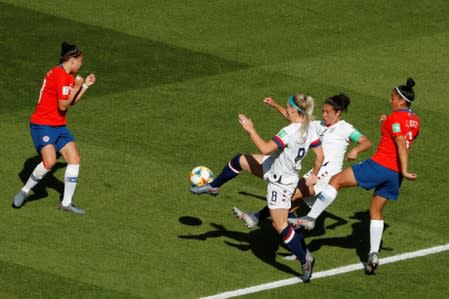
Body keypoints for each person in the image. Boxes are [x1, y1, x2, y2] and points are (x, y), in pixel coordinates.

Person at [289, 78, 420, 274]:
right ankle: (373, 253)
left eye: (393, 97)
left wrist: (405, 169)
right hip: (394, 177)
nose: (390, 100)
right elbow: (402, 135)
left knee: (336, 180)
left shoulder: (394, 119)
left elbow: (400, 141)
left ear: (401, 101)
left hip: (380, 165)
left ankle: (310, 217)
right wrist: (387, 125)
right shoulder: (415, 120)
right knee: (375, 212)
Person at [191, 94, 324, 281]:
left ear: (295, 110)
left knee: (280, 226)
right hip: (275, 167)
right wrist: (314, 174)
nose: (286, 111)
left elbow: (265, 148)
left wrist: (250, 130)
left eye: (287, 107)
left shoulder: (288, 132)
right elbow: (319, 156)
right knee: (239, 160)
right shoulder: (309, 128)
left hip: (281, 183)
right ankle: (214, 186)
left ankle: (305, 259)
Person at [233, 94, 372, 229]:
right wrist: (275, 105)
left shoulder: (345, 128)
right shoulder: (319, 125)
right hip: (315, 172)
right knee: (291, 206)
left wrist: (356, 150)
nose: (323, 115)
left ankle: (255, 218)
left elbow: (366, 142)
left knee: (288, 196)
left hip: (327, 175)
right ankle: (299, 248)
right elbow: (294, 119)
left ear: (338, 113)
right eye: (323, 111)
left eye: (327, 112)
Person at [12, 41, 96, 215]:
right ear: (72, 60)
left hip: (58, 126)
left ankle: (66, 203)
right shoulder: (60, 77)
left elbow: (70, 101)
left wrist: (85, 86)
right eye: (80, 61)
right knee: (49, 162)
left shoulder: (65, 75)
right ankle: (25, 191)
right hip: (43, 125)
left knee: (74, 159)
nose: (81, 65)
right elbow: (63, 105)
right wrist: (78, 86)